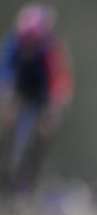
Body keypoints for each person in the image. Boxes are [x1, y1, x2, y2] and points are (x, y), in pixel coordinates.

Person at [0, 3, 72, 193]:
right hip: (19, 93)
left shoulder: (49, 48)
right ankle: (7, 177)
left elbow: (59, 79)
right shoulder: (14, 43)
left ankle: (28, 183)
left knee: (42, 136)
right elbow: (5, 71)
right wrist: (7, 98)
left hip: (41, 97)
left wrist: (54, 107)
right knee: (10, 130)